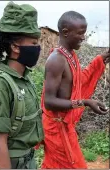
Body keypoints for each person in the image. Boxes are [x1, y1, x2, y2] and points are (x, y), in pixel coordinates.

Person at [0, 2, 44, 169]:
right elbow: (0, 143)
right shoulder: (0, 83)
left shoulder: (24, 80)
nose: (38, 48)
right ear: (15, 47)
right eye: (34, 43)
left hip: (27, 162)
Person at [40, 11, 110, 169]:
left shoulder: (70, 55)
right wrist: (84, 102)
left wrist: (102, 59)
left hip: (65, 127)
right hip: (56, 129)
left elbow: (79, 81)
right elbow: (49, 102)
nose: (83, 37)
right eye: (80, 33)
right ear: (65, 32)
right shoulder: (56, 60)